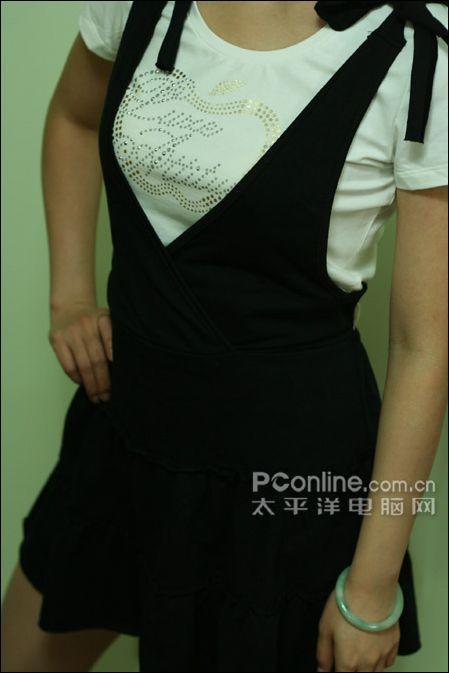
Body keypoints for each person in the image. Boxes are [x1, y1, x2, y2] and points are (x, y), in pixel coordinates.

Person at [1, 2, 448, 672]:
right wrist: (69, 295)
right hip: (128, 429)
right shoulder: (138, 5)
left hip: (285, 490)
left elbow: (423, 348)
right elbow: (73, 117)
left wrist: (371, 588)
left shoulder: (418, 55)